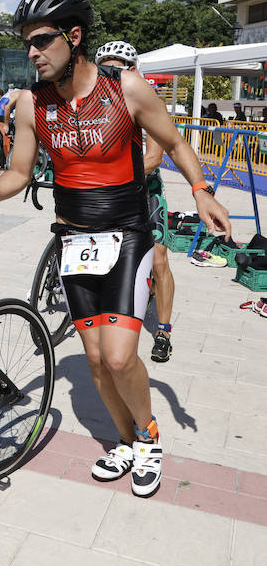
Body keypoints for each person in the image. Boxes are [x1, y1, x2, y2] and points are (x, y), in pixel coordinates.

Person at [0, 0, 231, 498]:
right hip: (73, 241)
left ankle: (148, 437)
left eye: (41, 41)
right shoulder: (31, 104)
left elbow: (174, 141)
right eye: (26, 44)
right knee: (96, 359)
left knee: (121, 356)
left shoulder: (126, 89)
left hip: (127, 236)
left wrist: (202, 189)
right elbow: (17, 173)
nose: (32, 53)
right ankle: (123, 440)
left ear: (73, 37)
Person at [95, 40, 176, 363]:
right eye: (106, 69)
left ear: (133, 71)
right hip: (108, 191)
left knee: (158, 260)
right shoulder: (94, 105)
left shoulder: (147, 100)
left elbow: (154, 157)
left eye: (119, 69)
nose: (112, 75)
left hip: (144, 191)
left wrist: (114, 175)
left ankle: (164, 330)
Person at [0, 90, 12, 160]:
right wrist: (6, 124)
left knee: (1, 138)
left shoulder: (7, 95)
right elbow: (7, 108)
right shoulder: (19, 95)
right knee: (7, 137)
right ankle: (7, 158)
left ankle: (2, 160)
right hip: (2, 115)